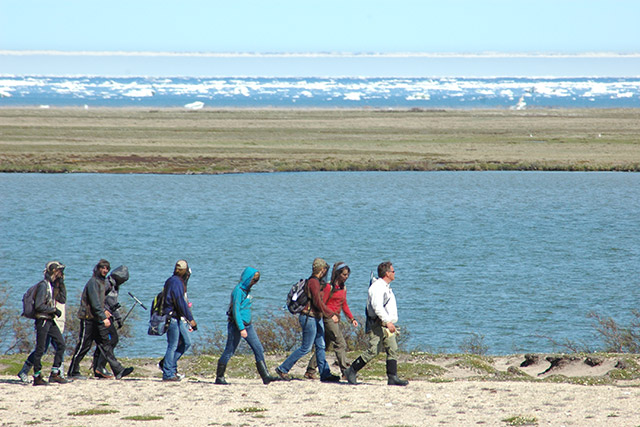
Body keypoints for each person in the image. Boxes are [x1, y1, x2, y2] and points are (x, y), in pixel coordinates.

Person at [275, 258, 341, 382]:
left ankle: (325, 374)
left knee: (321, 346)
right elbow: (317, 301)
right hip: (308, 317)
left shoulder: (316, 282)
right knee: (306, 347)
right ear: (322, 270)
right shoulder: (313, 283)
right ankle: (283, 368)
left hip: (316, 317)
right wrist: (330, 314)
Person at [344, 261, 408, 386]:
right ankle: (351, 370)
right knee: (373, 351)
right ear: (387, 273)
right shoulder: (377, 287)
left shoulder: (384, 287)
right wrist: (388, 322)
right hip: (378, 324)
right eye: (393, 271)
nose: (395, 274)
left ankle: (392, 377)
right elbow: (377, 307)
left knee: (392, 349)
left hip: (386, 324)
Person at [67, 259, 134, 380]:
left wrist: (107, 312)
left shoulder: (102, 282)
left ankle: (118, 370)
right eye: (102, 268)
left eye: (107, 268)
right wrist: (103, 316)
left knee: (105, 344)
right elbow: (95, 303)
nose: (105, 270)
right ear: (97, 269)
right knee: (84, 346)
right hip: (88, 318)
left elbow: (101, 302)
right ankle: (73, 370)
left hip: (97, 318)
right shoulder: (93, 282)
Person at [215, 267, 279, 385]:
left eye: (256, 281)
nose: (254, 283)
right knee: (229, 350)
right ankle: (219, 377)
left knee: (258, 348)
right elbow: (236, 311)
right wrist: (241, 328)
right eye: (253, 280)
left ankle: (265, 376)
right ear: (247, 278)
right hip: (237, 326)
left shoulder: (247, 290)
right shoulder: (238, 291)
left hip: (248, 325)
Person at [304, 261, 358, 379]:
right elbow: (322, 303)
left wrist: (351, 318)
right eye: (344, 274)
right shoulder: (329, 287)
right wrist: (329, 315)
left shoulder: (343, 288)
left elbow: (344, 304)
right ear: (338, 274)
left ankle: (310, 370)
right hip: (328, 318)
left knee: (324, 345)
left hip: (336, 318)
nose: (346, 277)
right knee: (340, 343)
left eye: (347, 275)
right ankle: (345, 372)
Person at [18, 261, 69, 384]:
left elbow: (62, 299)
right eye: (59, 271)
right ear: (53, 272)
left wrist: (61, 284)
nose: (61, 274)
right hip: (43, 320)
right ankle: (36, 375)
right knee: (41, 348)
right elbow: (39, 306)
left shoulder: (52, 286)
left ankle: (55, 372)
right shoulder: (43, 286)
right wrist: (53, 310)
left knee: (61, 344)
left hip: (50, 320)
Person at [161, 260, 197, 381]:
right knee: (173, 345)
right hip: (172, 318)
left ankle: (168, 364)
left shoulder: (173, 281)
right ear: (184, 271)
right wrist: (190, 319)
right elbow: (180, 302)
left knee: (186, 342)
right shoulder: (176, 282)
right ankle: (168, 373)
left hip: (177, 317)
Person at [91, 265, 129, 379]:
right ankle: (101, 366)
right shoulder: (107, 284)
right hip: (103, 317)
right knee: (112, 340)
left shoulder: (115, 286)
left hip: (109, 316)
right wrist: (103, 312)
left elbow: (113, 304)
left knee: (103, 344)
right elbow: (98, 299)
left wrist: (118, 318)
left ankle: (98, 368)